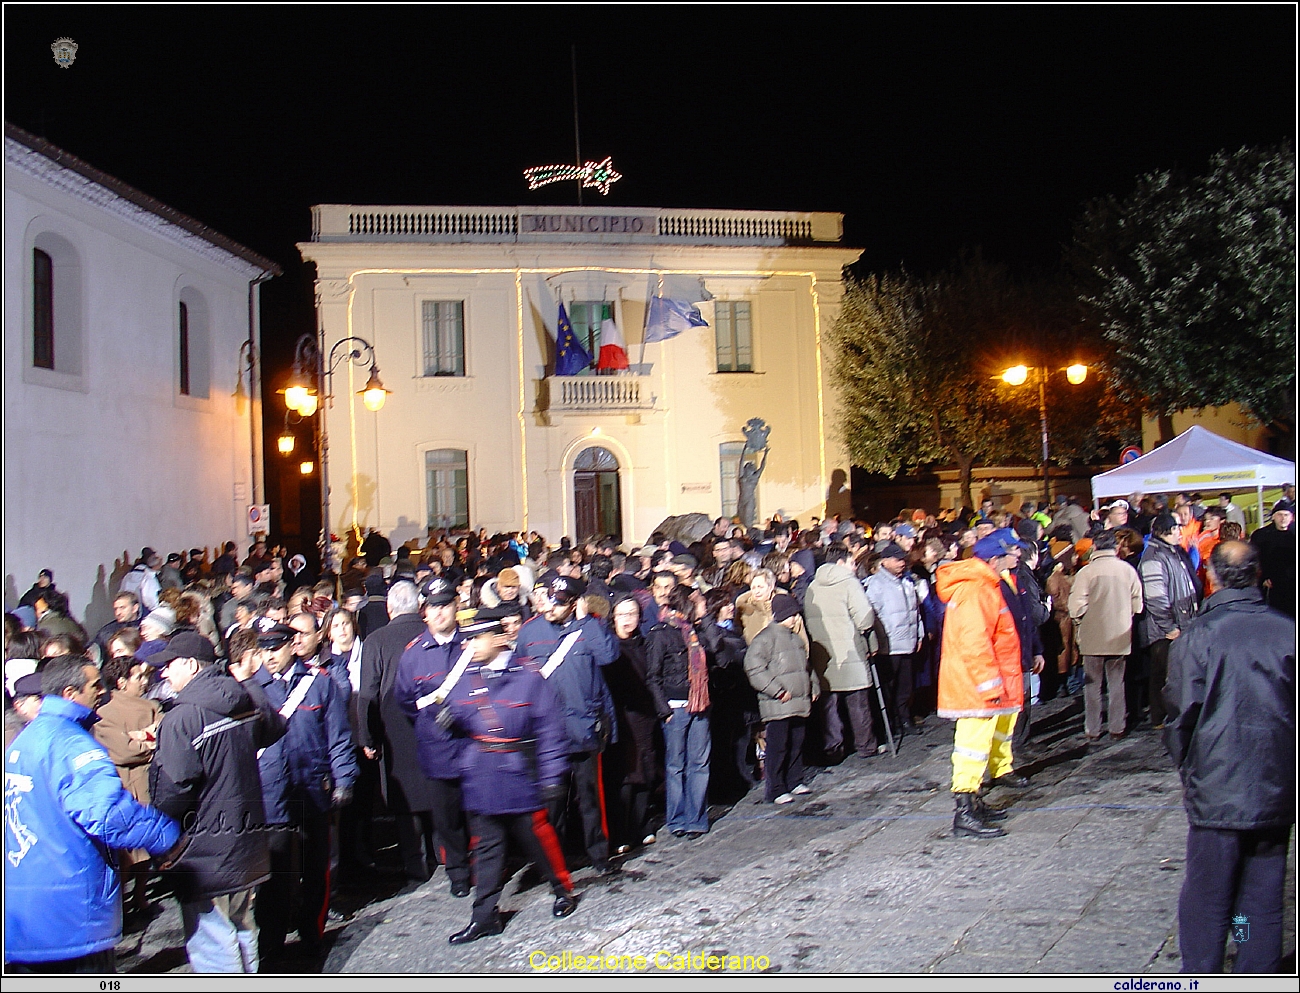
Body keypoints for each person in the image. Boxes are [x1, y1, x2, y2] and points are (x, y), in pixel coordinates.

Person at [1163, 541, 1295, 973]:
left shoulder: (1198, 636)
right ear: (1257, 575)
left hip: (1218, 782)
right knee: (1260, 893)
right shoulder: (1286, 631)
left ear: (1213, 577)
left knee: (1209, 895)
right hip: (1273, 779)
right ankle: (1256, 968)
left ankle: (1202, 972)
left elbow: (1181, 715)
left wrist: (1190, 768)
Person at [5, 656, 184, 973]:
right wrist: (165, 836)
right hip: (71, 913)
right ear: (71, 693)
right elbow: (104, 814)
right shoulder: (70, 744)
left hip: (24, 913)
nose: (102, 691)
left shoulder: (25, 741)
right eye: (95, 685)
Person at [436, 608, 577, 944]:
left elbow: (550, 729)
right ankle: (484, 916)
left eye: (476, 638)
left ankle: (563, 890)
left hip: (518, 774)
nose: (469, 645)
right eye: (467, 638)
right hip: (482, 776)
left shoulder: (527, 677)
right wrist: (449, 718)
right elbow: (458, 713)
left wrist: (553, 775)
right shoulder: (468, 677)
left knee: (539, 840)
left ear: (498, 638)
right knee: (486, 850)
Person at [148, 631, 286, 973]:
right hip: (245, 842)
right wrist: (249, 680)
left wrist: (160, 837)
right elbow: (273, 727)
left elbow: (173, 792)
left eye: (168, 665)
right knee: (241, 927)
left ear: (192, 665)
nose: (163, 673)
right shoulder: (240, 698)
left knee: (213, 942)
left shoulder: (182, 718)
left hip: (204, 850)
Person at [249, 615, 358, 960]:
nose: (269, 655)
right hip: (271, 794)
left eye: (276, 647)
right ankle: (272, 941)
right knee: (275, 875)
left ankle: (313, 933)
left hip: (312, 787)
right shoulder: (251, 690)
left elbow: (338, 736)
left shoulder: (318, 683)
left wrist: (344, 779)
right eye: (263, 648)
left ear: (291, 645)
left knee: (315, 869)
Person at [515, 575, 620, 872]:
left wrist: (586, 621)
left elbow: (609, 655)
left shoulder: (589, 629)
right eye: (549, 599)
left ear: (574, 604)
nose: (551, 607)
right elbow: (521, 676)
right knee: (552, 804)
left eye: (559, 603)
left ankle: (599, 856)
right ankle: (552, 862)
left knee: (590, 800)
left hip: (583, 728)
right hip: (546, 735)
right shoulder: (530, 632)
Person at [935, 528, 1026, 839]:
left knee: (977, 745)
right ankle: (964, 812)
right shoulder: (977, 590)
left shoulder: (982, 585)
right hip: (975, 686)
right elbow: (975, 644)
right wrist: (990, 687)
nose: (1018, 556)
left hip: (976, 683)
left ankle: (972, 804)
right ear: (996, 557)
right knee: (971, 748)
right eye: (1013, 551)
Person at [357, 579, 444, 882]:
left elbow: (367, 692)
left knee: (404, 795)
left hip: (392, 724)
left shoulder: (376, 641)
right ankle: (442, 851)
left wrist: (367, 737)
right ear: (419, 607)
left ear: (389, 608)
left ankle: (415, 862)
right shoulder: (430, 632)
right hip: (432, 718)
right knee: (434, 784)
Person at [392, 577, 474, 896]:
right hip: (437, 750)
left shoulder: (471, 645)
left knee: (480, 814)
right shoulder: (413, 654)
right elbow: (404, 701)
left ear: (456, 607)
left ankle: (486, 864)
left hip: (473, 746)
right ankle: (457, 872)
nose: (440, 613)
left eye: (446, 605)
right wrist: (430, 724)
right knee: (447, 819)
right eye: (434, 607)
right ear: (424, 612)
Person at [93, 651, 163, 916]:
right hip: (122, 786)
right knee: (124, 853)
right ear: (121, 682)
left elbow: (163, 735)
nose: (144, 681)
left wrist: (138, 738)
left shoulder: (153, 706)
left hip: (147, 783)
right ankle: (121, 904)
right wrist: (147, 740)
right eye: (138, 677)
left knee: (144, 849)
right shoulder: (104, 714)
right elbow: (124, 750)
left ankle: (141, 897)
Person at [645, 585, 712, 838]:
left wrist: (705, 617)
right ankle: (677, 819)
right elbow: (652, 676)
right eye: (697, 605)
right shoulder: (661, 633)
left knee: (699, 763)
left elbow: (716, 647)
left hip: (700, 705)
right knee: (675, 765)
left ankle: (696, 819)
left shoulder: (697, 631)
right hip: (676, 707)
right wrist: (665, 711)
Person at [804, 542, 879, 761]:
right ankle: (865, 745)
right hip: (851, 651)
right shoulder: (849, 583)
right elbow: (865, 618)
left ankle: (834, 747)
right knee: (857, 702)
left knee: (830, 705)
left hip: (824, 653)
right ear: (841, 563)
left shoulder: (813, 586)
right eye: (852, 562)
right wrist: (871, 642)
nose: (855, 567)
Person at [1068, 530, 1144, 741]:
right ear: (1115, 547)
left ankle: (1093, 730)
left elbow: (1075, 607)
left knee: (1092, 686)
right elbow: (1138, 604)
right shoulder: (1127, 570)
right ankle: (1117, 727)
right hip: (1120, 635)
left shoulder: (1086, 573)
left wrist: (1082, 620)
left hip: (1092, 636)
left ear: (1094, 547)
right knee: (1116, 684)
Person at [744, 593, 818, 803]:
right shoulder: (765, 639)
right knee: (778, 746)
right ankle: (775, 788)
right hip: (779, 704)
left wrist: (813, 687)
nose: (795, 618)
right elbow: (754, 668)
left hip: (798, 702)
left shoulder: (795, 638)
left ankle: (794, 780)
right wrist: (777, 691)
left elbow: (805, 666)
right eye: (791, 614)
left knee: (796, 742)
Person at [1138, 512, 1202, 731]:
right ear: (1166, 531)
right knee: (1162, 674)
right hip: (1164, 629)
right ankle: (1160, 717)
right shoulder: (1154, 557)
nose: (1180, 533)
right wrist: (1169, 626)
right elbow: (1155, 597)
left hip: (1181, 623)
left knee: (1175, 674)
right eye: (1176, 529)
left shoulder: (1173, 552)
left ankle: (1174, 714)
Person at [864, 542, 924, 738]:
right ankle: (887, 724)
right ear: (885, 561)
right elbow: (870, 616)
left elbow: (916, 612)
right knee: (888, 688)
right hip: (888, 646)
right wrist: (875, 642)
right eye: (898, 559)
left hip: (907, 643)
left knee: (905, 687)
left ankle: (904, 719)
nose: (902, 563)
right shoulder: (875, 584)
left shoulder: (907, 583)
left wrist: (920, 633)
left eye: (903, 559)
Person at [1250, 499, 1296, 617]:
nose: (1283, 518)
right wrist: (1262, 578)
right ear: (1273, 517)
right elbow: (1254, 559)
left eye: (1286, 515)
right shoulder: (1261, 536)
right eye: (1280, 515)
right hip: (1270, 584)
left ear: (1292, 517)